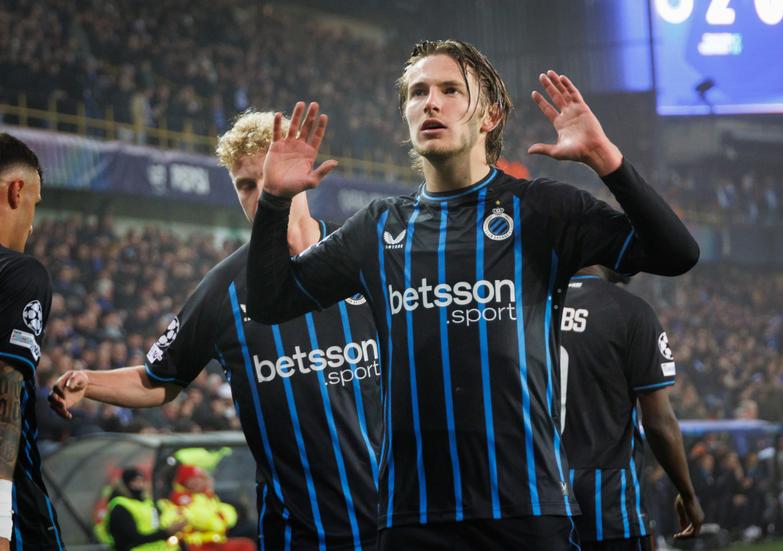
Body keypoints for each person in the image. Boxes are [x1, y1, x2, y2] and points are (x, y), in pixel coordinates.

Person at [244, 39, 699, 550]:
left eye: (449, 90)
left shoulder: (542, 210)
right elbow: (268, 302)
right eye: (417, 93)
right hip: (411, 517)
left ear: (490, 116)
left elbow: (676, 254)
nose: (430, 103)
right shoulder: (378, 228)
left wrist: (607, 161)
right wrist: (276, 203)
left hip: (529, 509)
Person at [49, 111, 381, 550]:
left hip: (396, 519)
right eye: (245, 185)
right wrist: (89, 381)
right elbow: (158, 380)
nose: (259, 193)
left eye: (266, 176)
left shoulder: (364, 259)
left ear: (300, 173)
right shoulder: (222, 289)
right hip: (299, 534)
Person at [560, 266, 703, 550]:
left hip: (537, 494)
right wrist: (688, 494)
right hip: (607, 501)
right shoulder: (630, 310)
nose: (633, 256)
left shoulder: (529, 306)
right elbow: (659, 422)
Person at [0, 133, 64, 550]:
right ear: (16, 190)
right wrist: (2, 525)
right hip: (16, 518)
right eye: (35, 205)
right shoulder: (21, 273)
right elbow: (3, 398)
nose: (33, 222)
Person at [159, 465, 253, 551]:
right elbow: (179, 518)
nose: (197, 481)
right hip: (194, 545)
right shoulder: (179, 498)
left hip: (216, 541)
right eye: (192, 478)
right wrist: (215, 520)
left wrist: (218, 517)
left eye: (199, 478)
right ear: (184, 480)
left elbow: (228, 513)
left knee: (246, 544)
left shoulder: (208, 496)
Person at [101, 468, 184, 551]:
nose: (139, 485)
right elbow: (132, 538)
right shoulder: (121, 506)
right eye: (134, 481)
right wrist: (166, 533)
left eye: (141, 481)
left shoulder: (148, 503)